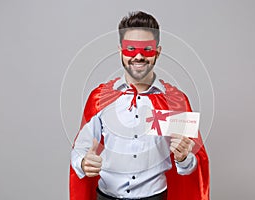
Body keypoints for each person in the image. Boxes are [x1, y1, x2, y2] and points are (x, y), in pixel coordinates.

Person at [70, 11, 209, 200]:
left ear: (157, 52)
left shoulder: (175, 101)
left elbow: (190, 168)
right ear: (120, 50)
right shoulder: (100, 98)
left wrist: (183, 158)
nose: (138, 56)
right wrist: (84, 162)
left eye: (147, 50)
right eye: (130, 48)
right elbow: (80, 149)